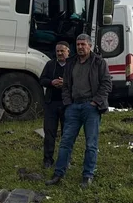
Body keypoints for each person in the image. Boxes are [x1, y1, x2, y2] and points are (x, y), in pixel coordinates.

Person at [46, 34, 111, 189]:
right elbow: (66, 85)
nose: (80, 47)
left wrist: (95, 102)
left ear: (90, 45)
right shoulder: (71, 62)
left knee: (91, 144)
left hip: (91, 108)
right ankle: (58, 174)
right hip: (74, 107)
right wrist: (68, 103)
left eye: (83, 44)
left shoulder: (99, 62)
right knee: (65, 142)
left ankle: (87, 175)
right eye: (78, 44)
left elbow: (106, 84)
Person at [39, 41, 70, 169]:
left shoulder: (73, 65)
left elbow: (78, 82)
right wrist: (52, 82)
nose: (60, 53)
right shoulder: (50, 64)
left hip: (67, 104)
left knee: (67, 134)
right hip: (51, 103)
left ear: (68, 51)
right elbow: (42, 80)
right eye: (57, 51)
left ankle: (65, 160)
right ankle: (47, 160)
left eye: (62, 51)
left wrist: (65, 83)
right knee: (49, 133)